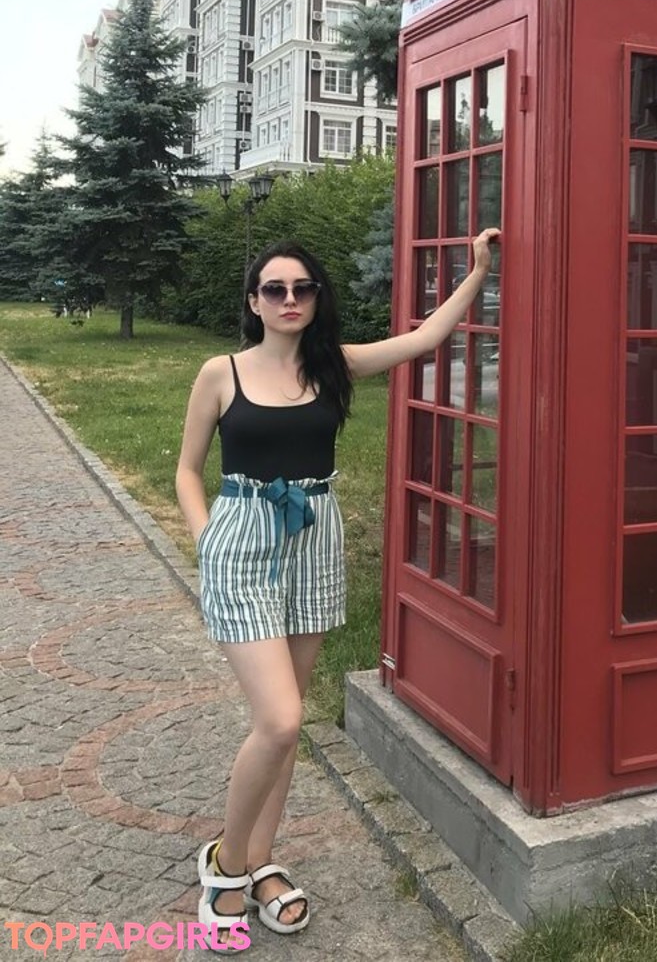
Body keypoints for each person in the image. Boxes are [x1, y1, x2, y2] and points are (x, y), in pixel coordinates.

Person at [175, 228, 500, 944]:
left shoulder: (334, 367)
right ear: (254, 302)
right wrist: (206, 536)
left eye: (303, 288)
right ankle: (226, 864)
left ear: (316, 298)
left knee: (287, 727)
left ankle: (261, 860)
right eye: (274, 289)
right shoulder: (221, 373)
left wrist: (478, 271)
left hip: (315, 539)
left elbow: (424, 339)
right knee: (281, 719)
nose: (289, 299)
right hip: (242, 538)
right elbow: (186, 469)